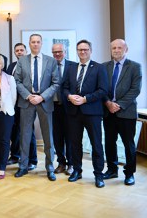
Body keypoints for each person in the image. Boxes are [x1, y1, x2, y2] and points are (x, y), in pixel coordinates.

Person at [14, 34, 59, 182]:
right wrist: (28, 96)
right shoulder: (22, 61)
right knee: (25, 136)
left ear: (41, 43)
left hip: (44, 101)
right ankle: (23, 166)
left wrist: (42, 96)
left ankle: (50, 167)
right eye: (32, 42)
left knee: (48, 137)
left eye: (38, 42)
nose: (35, 44)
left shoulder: (51, 61)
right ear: (29, 43)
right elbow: (17, 81)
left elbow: (55, 83)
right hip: (27, 101)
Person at [63, 39, 108, 188]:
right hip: (73, 112)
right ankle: (77, 170)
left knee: (96, 144)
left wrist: (85, 99)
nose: (82, 52)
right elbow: (64, 88)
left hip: (92, 112)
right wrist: (69, 96)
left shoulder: (99, 68)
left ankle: (98, 175)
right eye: (80, 50)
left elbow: (103, 90)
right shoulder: (70, 68)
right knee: (75, 143)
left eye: (85, 49)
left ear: (90, 51)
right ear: (77, 51)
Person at [103, 39, 142, 186]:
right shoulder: (104, 67)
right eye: (114, 48)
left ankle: (129, 173)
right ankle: (112, 169)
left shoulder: (135, 67)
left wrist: (118, 105)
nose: (116, 50)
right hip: (108, 112)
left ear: (126, 49)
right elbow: (101, 88)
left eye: (120, 47)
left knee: (128, 144)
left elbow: (135, 90)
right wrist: (108, 103)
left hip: (126, 113)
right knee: (109, 143)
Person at [6, 43, 37, 169]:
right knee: (14, 131)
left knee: (28, 132)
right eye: (17, 50)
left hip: (26, 103)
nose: (19, 52)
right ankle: (15, 155)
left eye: (21, 50)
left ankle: (32, 160)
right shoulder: (11, 66)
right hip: (12, 104)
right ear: (15, 53)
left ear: (26, 51)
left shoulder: (31, 65)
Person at [51, 43, 76, 175]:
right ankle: (61, 162)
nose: (57, 54)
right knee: (57, 136)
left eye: (60, 51)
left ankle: (71, 163)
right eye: (54, 52)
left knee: (70, 136)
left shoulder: (74, 66)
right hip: (54, 107)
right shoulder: (49, 66)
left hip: (70, 107)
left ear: (65, 52)